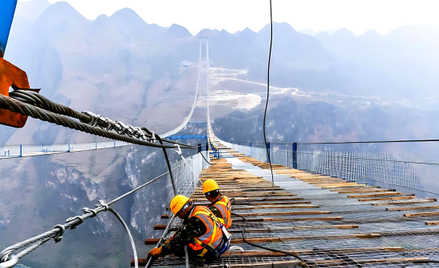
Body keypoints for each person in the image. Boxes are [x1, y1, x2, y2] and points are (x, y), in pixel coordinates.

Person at [147, 195, 230, 264]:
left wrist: (159, 251)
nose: (179, 217)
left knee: (178, 249)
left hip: (211, 252)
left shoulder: (194, 221)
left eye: (178, 214)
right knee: (181, 240)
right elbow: (185, 230)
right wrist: (172, 238)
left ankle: (200, 257)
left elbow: (178, 242)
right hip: (220, 242)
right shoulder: (199, 209)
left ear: (181, 211)